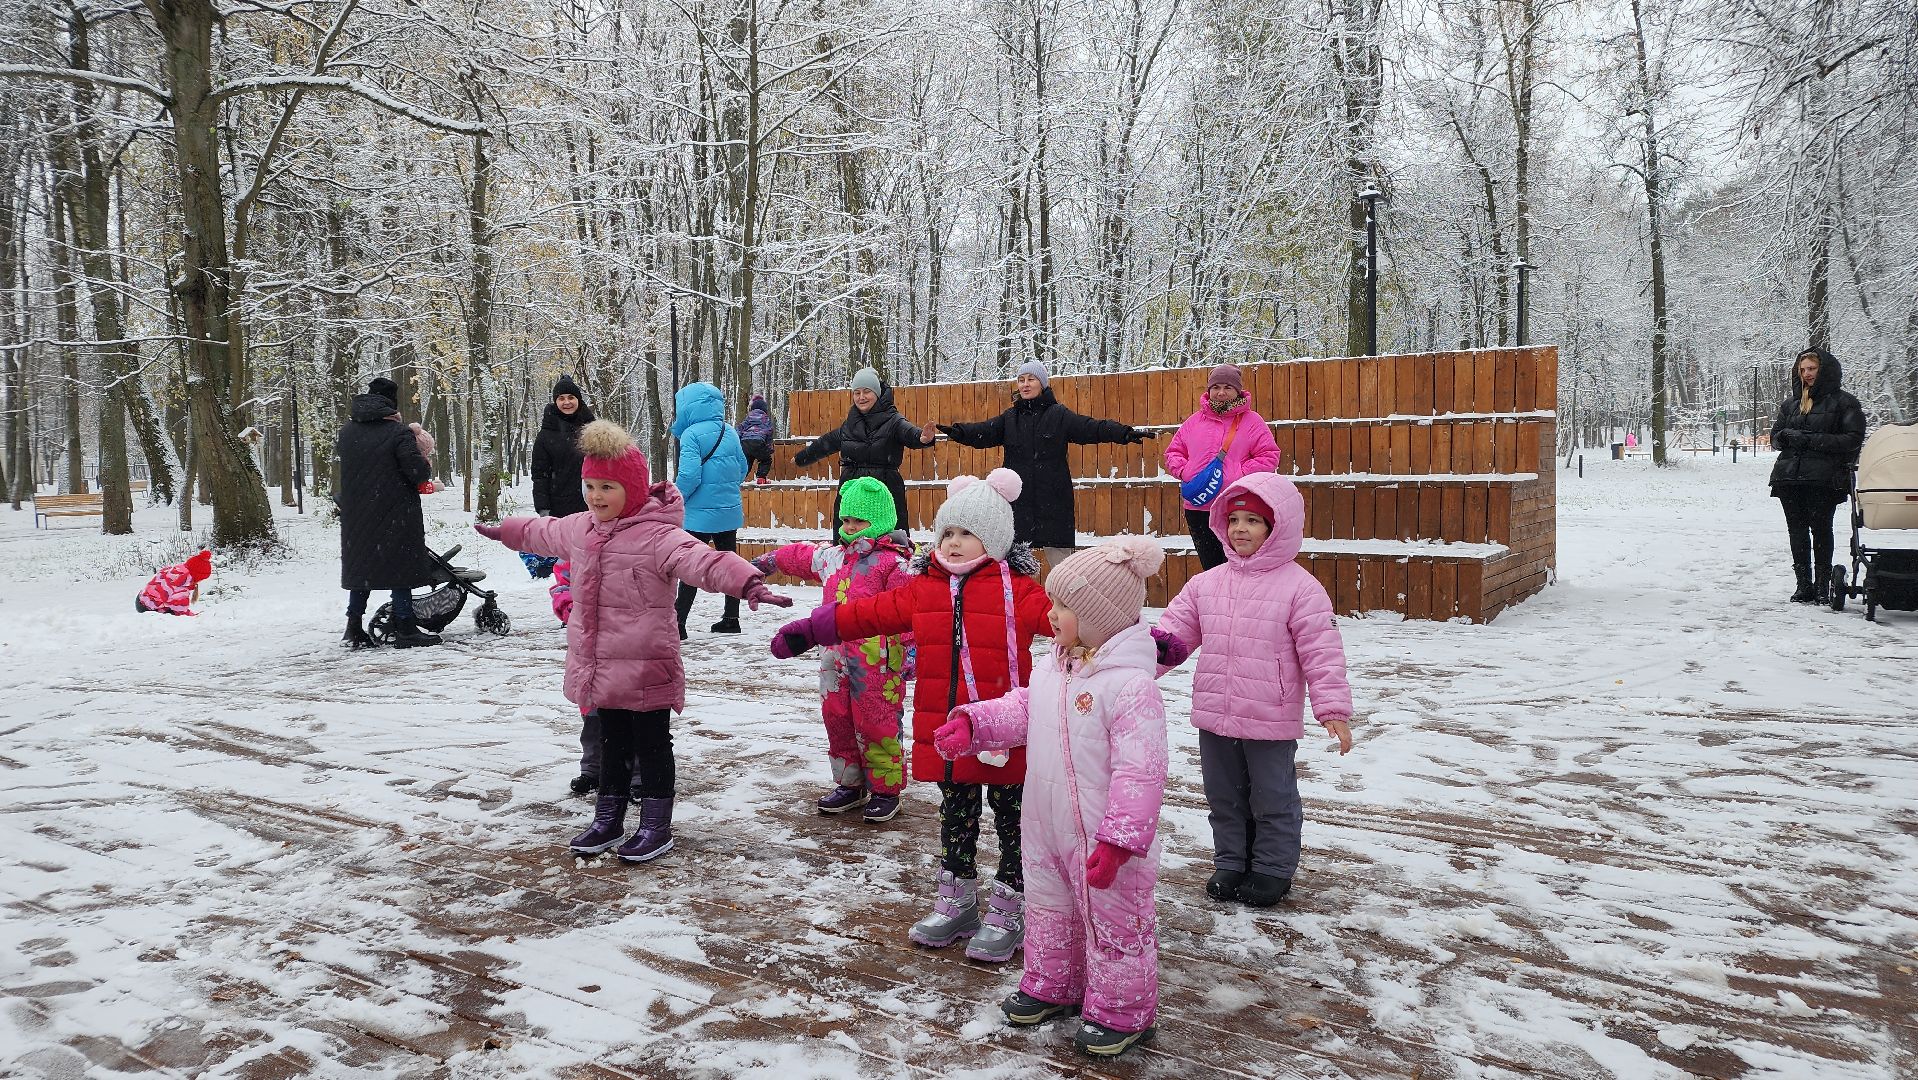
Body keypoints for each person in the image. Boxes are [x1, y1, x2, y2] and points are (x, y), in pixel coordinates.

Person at [474, 419, 791, 861]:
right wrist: (505, 530)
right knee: (611, 741)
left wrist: (749, 583)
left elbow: (704, 560)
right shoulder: (581, 528)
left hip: (645, 661)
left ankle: (656, 824)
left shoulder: (658, 535)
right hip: (601, 663)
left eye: (608, 487)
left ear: (633, 489)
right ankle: (608, 818)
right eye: (590, 486)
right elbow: (540, 533)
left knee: (652, 743)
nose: (596, 496)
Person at [770, 469, 1049, 964]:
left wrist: (1127, 634)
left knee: (1013, 817)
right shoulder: (925, 587)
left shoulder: (1019, 590)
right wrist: (810, 630)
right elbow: (866, 613)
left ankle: (1012, 901)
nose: (955, 543)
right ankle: (958, 897)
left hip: (1006, 732)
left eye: (968, 533)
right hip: (946, 733)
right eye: (948, 533)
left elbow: (1070, 618)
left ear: (998, 537)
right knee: (956, 814)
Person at [931, 537, 1171, 1057]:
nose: (1053, 613)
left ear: (1098, 617)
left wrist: (1120, 841)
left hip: (1106, 838)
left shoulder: (1130, 687)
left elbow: (1141, 772)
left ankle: (1124, 1010)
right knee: (1048, 908)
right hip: (1044, 824)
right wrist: (975, 724)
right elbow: (1022, 709)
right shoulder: (1054, 666)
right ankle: (1052, 984)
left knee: (1116, 920)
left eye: (1064, 605)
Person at [1153, 472, 1354, 908]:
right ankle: (1231, 860)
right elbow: (1171, 637)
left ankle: (1271, 867)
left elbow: (1322, 651)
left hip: (1270, 714)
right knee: (1223, 794)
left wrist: (1332, 708)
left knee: (1271, 796)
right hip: (1216, 712)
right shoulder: (1207, 584)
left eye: (1253, 521)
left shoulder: (1300, 588)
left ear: (1276, 527)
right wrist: (1128, 668)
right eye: (1234, 520)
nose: (1240, 529)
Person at [750, 476, 915, 822]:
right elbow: (800, 555)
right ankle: (849, 783)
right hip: (835, 659)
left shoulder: (894, 564)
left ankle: (886, 788)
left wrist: (911, 650)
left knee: (878, 722)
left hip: (879, 663)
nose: (850, 527)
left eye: (859, 521)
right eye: (845, 520)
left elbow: (908, 610)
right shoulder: (833, 557)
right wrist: (771, 561)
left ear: (881, 521)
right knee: (837, 719)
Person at [932, 360, 1156, 571]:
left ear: (1042, 383)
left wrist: (1124, 433)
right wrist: (956, 431)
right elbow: (983, 432)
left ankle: (1067, 609)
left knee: (1064, 571)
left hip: (1054, 502)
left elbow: (1091, 427)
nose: (1025, 384)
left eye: (1031, 379)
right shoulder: (1010, 418)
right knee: (1014, 570)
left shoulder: (1059, 415)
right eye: (1021, 380)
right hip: (1019, 505)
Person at [336, 376, 440, 649]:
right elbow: (417, 471)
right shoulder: (399, 433)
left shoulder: (347, 432)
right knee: (400, 566)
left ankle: (353, 627)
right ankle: (405, 626)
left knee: (363, 568)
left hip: (357, 514)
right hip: (394, 509)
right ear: (391, 403)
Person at [1770, 347, 1868, 603]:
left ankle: (1823, 585)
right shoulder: (1791, 404)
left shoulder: (1844, 402)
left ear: (1824, 370)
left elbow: (1852, 440)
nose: (1807, 374)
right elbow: (1775, 437)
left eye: (1811, 369)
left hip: (1824, 479)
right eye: (1802, 370)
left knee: (1821, 529)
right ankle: (1803, 585)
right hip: (1789, 478)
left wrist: (1809, 440)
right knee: (1797, 532)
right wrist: (1784, 437)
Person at [1162, 364, 1281, 570]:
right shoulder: (1194, 421)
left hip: (1235, 507)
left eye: (1228, 387)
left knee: (1238, 567)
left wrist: (1239, 474)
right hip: (1199, 507)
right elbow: (1173, 452)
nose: (1221, 393)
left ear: (1237, 391)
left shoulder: (1252, 421)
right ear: (1209, 390)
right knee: (1211, 568)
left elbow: (1270, 456)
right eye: (1216, 387)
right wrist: (1185, 471)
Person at [793, 366, 933, 536]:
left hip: (884, 487)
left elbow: (909, 432)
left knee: (888, 543)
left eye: (866, 391)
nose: (861, 397)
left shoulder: (893, 420)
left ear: (877, 393)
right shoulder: (849, 424)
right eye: (856, 393)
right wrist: (801, 457)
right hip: (852, 489)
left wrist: (922, 438)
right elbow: (826, 443)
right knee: (847, 542)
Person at [671, 382, 751, 636]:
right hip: (728, 510)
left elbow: (690, 476)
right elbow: (742, 468)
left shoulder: (691, 435)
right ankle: (731, 618)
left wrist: (676, 498)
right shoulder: (729, 432)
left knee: (691, 567)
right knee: (730, 565)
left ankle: (678, 622)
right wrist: (725, 490)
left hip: (699, 515)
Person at [528, 375, 595, 579]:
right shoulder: (546, 434)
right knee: (566, 565)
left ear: (579, 400)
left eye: (571, 397)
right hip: (560, 507)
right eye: (561, 398)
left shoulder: (593, 429)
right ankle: (569, 604)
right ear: (555, 402)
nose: (567, 402)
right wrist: (543, 508)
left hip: (593, 503)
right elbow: (540, 474)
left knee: (592, 561)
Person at [137, 549, 213, 616]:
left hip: (142, 597)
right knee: (173, 614)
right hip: (147, 607)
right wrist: (194, 617)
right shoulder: (181, 587)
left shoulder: (174, 571)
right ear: (197, 577)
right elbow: (181, 612)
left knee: (169, 602)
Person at [738, 393, 777, 485]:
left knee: (747, 462)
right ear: (765, 410)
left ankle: (739, 479)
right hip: (759, 442)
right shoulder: (766, 420)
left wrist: (738, 442)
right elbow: (769, 433)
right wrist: (769, 449)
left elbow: (739, 429)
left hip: (745, 443)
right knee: (766, 460)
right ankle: (761, 477)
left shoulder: (748, 418)